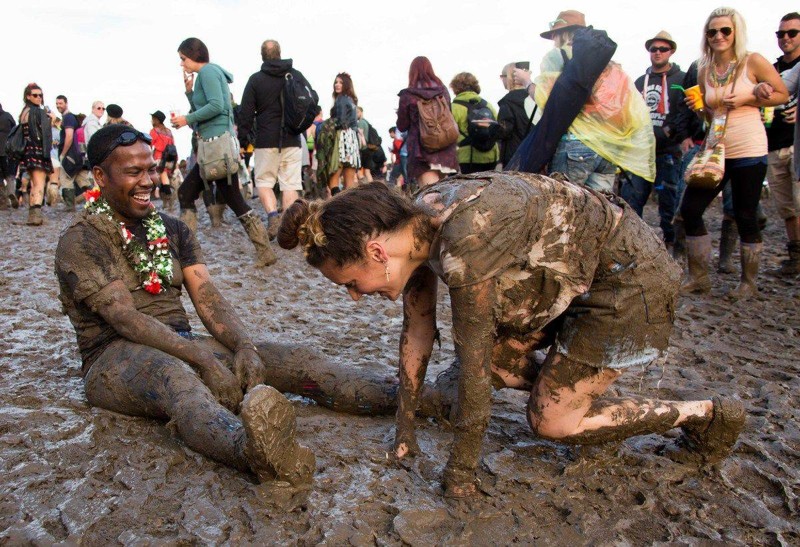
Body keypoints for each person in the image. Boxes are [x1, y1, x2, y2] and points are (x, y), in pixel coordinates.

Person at [278, 173, 746, 498]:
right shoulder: (414, 234)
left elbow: (474, 362)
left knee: (551, 422)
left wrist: (460, 471)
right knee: (502, 366)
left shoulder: (464, 239)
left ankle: (704, 414)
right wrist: (404, 436)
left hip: (627, 279)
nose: (357, 297)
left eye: (351, 285)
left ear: (376, 251)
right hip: (569, 277)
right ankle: (576, 386)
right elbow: (417, 333)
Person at [54, 124, 316, 487]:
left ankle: (408, 396)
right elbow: (126, 320)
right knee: (176, 379)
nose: (149, 181)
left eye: (151, 169)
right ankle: (253, 451)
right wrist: (204, 360)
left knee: (289, 359)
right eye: (134, 172)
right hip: (111, 358)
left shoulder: (173, 229)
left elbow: (207, 296)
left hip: (180, 341)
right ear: (100, 175)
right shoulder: (82, 238)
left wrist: (243, 346)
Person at [680, 7, 788, 300]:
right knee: (690, 209)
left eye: (725, 30)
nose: (718, 36)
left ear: (735, 32)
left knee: (744, 214)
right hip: (716, 151)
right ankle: (699, 277)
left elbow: (782, 94)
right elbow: (711, 116)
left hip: (749, 148)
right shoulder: (704, 69)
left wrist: (749, 97)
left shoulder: (752, 62)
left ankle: (748, 283)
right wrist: (701, 109)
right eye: (712, 31)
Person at [514, 10, 654, 192]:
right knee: (600, 211)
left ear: (560, 33)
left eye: (554, 34)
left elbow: (550, 100)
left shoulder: (558, 56)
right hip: (607, 149)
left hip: (575, 145)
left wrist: (526, 82)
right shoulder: (609, 63)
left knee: (566, 209)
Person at [170, 37, 277, 267]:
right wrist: (189, 93)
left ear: (193, 55)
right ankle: (264, 251)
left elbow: (217, 105)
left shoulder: (208, 73)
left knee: (187, 193)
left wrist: (186, 119)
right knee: (233, 198)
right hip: (216, 146)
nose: (182, 64)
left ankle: (186, 256)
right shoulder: (210, 74)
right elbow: (212, 106)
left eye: (183, 59)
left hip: (214, 147)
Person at [238, 39, 316, 239]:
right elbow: (313, 101)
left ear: (262, 56)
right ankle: (287, 226)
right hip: (292, 138)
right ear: (280, 53)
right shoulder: (295, 75)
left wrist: (244, 140)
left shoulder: (256, 80)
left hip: (265, 139)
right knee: (290, 184)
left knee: (264, 181)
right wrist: (302, 125)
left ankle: (273, 216)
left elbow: (245, 114)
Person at [621, 31, 687, 249]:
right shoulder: (640, 82)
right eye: (653, 49)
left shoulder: (681, 79)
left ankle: (672, 247)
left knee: (669, 202)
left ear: (671, 51)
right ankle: (634, 248)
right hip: (641, 152)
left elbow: (687, 111)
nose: (657, 53)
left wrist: (670, 132)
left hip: (669, 151)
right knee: (632, 200)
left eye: (663, 49)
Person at [765, 12, 800, 275]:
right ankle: (795, 256)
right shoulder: (773, 70)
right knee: (786, 206)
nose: (785, 38)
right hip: (774, 144)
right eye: (781, 33)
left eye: (792, 33)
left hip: (796, 145)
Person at [396, 56, 459, 187]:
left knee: (430, 199)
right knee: (443, 195)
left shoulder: (408, 95)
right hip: (445, 150)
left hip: (422, 152)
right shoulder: (443, 91)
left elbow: (402, 126)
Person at [18, 83, 54, 225]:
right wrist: (51, 119)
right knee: (39, 184)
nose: (39, 98)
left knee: (33, 183)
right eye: (35, 95)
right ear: (28, 96)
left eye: (40, 95)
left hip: (27, 151)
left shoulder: (24, 112)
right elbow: (46, 134)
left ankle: (32, 214)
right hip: (38, 150)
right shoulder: (38, 112)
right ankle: (35, 216)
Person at [450, 72, 499, 174]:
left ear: (455, 87)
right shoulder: (488, 105)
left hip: (467, 157)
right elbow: (497, 127)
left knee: (469, 189)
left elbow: (449, 134)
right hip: (491, 155)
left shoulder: (454, 107)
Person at [327, 73, 360, 195]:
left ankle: (336, 206)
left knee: (334, 176)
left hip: (342, 139)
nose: (337, 85)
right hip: (352, 140)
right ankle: (350, 207)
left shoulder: (340, 99)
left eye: (340, 82)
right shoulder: (351, 100)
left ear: (346, 84)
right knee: (349, 181)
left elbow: (340, 122)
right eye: (336, 82)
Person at [497, 62, 535, 169]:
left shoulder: (508, 101)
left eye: (502, 76)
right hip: (535, 152)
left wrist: (491, 128)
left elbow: (504, 130)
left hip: (514, 155)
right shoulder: (535, 97)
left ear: (509, 77)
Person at [149, 110, 177, 210]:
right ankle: (169, 203)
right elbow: (173, 145)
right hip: (170, 158)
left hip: (159, 158)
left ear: (156, 120)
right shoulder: (168, 131)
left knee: (161, 179)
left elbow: (149, 145)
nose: (151, 120)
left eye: (153, 119)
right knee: (166, 179)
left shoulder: (154, 131)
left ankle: (166, 197)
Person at [0, 102, 15, 210]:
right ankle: (11, 192)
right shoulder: (8, 116)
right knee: (9, 174)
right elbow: (15, 129)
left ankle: (3, 200)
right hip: (8, 150)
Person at [356, 107, 374, 184]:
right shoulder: (366, 122)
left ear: (361, 112)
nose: (355, 114)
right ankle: (373, 189)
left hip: (363, 149)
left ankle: (365, 187)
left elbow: (361, 137)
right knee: (367, 171)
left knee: (358, 171)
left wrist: (358, 149)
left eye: (357, 112)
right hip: (368, 149)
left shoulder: (360, 123)